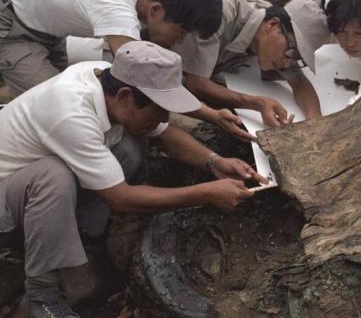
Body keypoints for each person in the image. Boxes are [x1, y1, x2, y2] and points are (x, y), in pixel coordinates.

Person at [0, 41, 265, 317]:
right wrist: (206, 193)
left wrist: (215, 162)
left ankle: (83, 241)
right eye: (160, 108)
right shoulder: (70, 113)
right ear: (125, 97)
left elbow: (164, 134)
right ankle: (40, 296)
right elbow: (121, 199)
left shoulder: (111, 78)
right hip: (6, 196)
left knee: (127, 148)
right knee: (54, 177)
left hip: (26, 189)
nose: (165, 117)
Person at [0, 0, 222, 95]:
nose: (179, 40)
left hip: (46, 27)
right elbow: (136, 72)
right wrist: (207, 113)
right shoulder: (114, 5)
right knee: (54, 99)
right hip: (12, 26)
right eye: (180, 31)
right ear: (155, 10)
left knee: (62, 88)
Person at [174, 0, 329, 128]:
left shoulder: (277, 29)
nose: (287, 63)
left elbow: (300, 84)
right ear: (272, 25)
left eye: (296, 58)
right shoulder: (220, 15)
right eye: (292, 52)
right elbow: (196, 83)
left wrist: (314, 122)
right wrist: (257, 103)